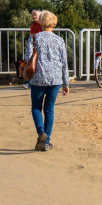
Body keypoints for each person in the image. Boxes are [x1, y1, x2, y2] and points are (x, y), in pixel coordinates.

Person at [28, 10, 70, 151]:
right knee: (49, 110)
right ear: (53, 23)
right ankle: (46, 142)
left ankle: (41, 133)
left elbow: (28, 56)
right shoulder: (60, 40)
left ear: (41, 22)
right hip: (55, 79)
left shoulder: (34, 38)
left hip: (38, 79)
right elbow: (64, 62)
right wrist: (66, 83)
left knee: (36, 107)